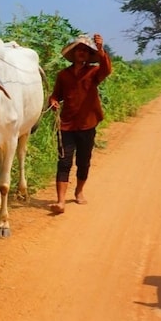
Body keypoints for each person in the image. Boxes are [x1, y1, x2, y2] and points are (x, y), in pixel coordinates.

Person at [48, 34, 112, 214]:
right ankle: (60, 202)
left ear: (88, 54)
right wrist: (52, 101)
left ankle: (79, 191)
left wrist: (100, 50)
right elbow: (56, 95)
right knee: (64, 162)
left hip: (87, 124)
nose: (82, 53)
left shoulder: (93, 72)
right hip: (66, 125)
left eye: (85, 50)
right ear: (74, 53)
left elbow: (106, 69)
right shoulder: (63, 75)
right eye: (79, 50)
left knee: (83, 162)